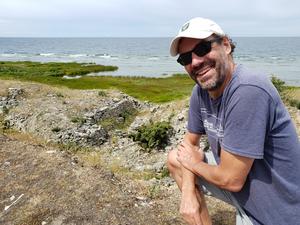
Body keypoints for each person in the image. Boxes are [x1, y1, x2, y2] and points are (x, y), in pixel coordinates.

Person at [167, 17, 300, 225]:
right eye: (185, 58)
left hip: (277, 213)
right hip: (242, 190)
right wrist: (187, 194)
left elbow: (231, 180)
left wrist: (193, 163)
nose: (195, 62)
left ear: (226, 45)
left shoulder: (248, 89)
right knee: (175, 158)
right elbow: (187, 146)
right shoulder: (200, 92)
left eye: (202, 49)